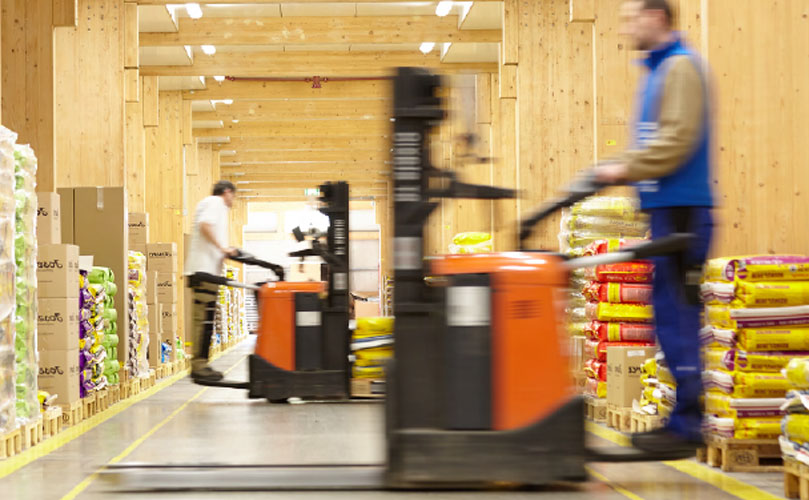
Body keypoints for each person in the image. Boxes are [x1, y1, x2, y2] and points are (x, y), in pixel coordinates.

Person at [594, 0, 714, 455]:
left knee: (678, 314)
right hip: (666, 208)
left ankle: (687, 426)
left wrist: (625, 168)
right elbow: (653, 142)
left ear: (657, 17)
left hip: (683, 208)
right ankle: (682, 420)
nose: (626, 28)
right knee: (666, 312)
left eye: (631, 19)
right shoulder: (658, 71)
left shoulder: (680, 67)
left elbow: (676, 141)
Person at [185, 180, 238, 382]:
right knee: (203, 320)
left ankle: (202, 364)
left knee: (206, 320)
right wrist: (222, 248)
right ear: (227, 192)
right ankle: (199, 366)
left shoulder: (212, 204)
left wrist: (223, 253)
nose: (233, 200)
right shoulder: (216, 203)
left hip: (207, 272)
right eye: (233, 196)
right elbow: (205, 225)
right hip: (203, 271)